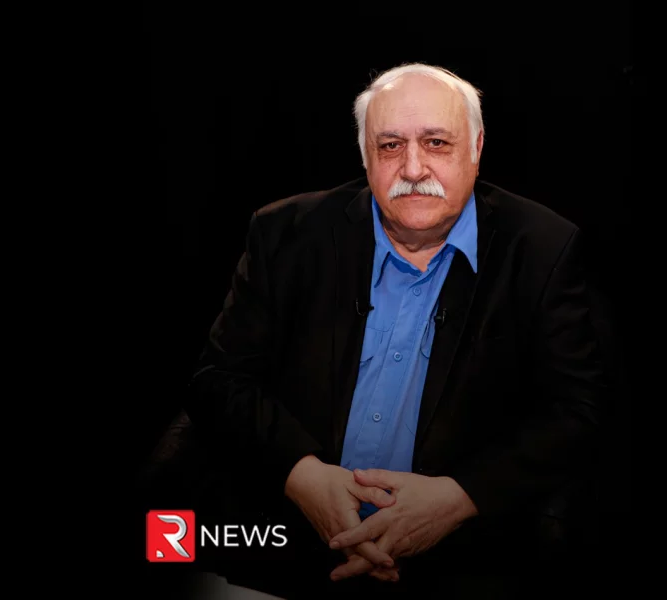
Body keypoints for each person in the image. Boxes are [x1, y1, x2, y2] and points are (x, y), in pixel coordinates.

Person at [176, 63, 609, 598]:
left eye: (436, 143)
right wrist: (302, 475)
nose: (413, 168)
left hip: (462, 559)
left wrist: (461, 497)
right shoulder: (285, 233)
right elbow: (216, 380)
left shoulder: (543, 248)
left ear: (476, 149)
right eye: (390, 146)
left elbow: (577, 408)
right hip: (279, 540)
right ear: (365, 156)